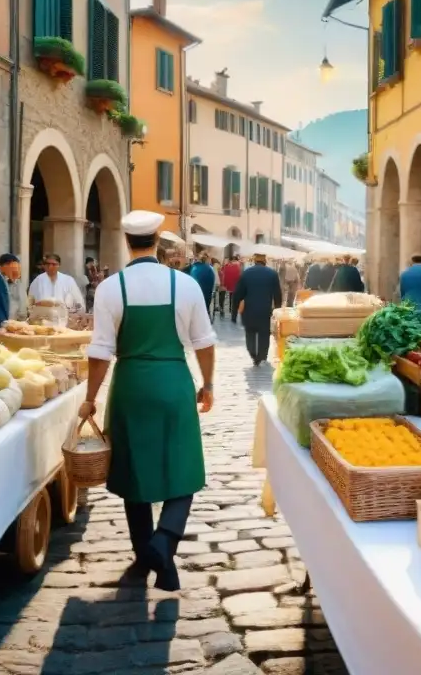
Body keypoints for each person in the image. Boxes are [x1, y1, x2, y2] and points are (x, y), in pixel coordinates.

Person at [83, 210, 216, 591]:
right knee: (184, 467)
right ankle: (164, 543)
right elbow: (204, 343)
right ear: (158, 240)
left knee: (133, 471)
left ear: (127, 242)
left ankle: (147, 553)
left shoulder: (111, 288)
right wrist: (207, 384)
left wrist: (90, 398)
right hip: (173, 382)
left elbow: (101, 351)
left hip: (130, 386)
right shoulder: (184, 284)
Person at [232, 251, 282, 366]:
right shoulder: (272, 274)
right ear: (265, 261)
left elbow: (238, 294)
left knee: (250, 332)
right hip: (265, 310)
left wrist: (234, 314)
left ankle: (253, 353)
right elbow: (277, 295)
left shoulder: (246, 273)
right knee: (264, 333)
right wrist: (277, 310)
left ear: (254, 260)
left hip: (249, 309)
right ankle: (262, 356)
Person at [220, 254, 242, 322]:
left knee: (222, 295)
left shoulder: (225, 266)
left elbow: (222, 273)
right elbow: (240, 277)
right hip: (234, 286)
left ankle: (222, 308)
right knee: (233, 297)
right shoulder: (239, 266)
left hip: (224, 284)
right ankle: (231, 310)